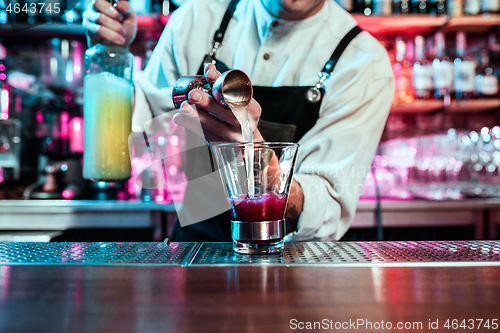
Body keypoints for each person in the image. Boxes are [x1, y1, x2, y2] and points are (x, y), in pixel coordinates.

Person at [83, 0, 394, 241]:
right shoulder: (196, 19)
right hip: (193, 259)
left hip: (293, 272)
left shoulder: (363, 61)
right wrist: (109, 57)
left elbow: (325, 204)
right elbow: (143, 134)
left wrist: (261, 164)